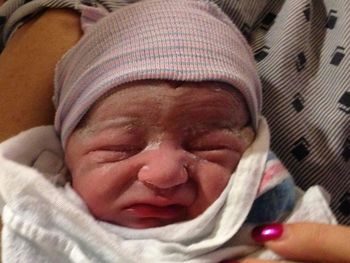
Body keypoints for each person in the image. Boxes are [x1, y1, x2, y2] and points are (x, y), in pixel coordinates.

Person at [0, 0, 349, 262]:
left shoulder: (272, 211)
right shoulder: (35, 205)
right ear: (65, 149)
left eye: (208, 146)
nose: (165, 174)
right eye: (121, 146)